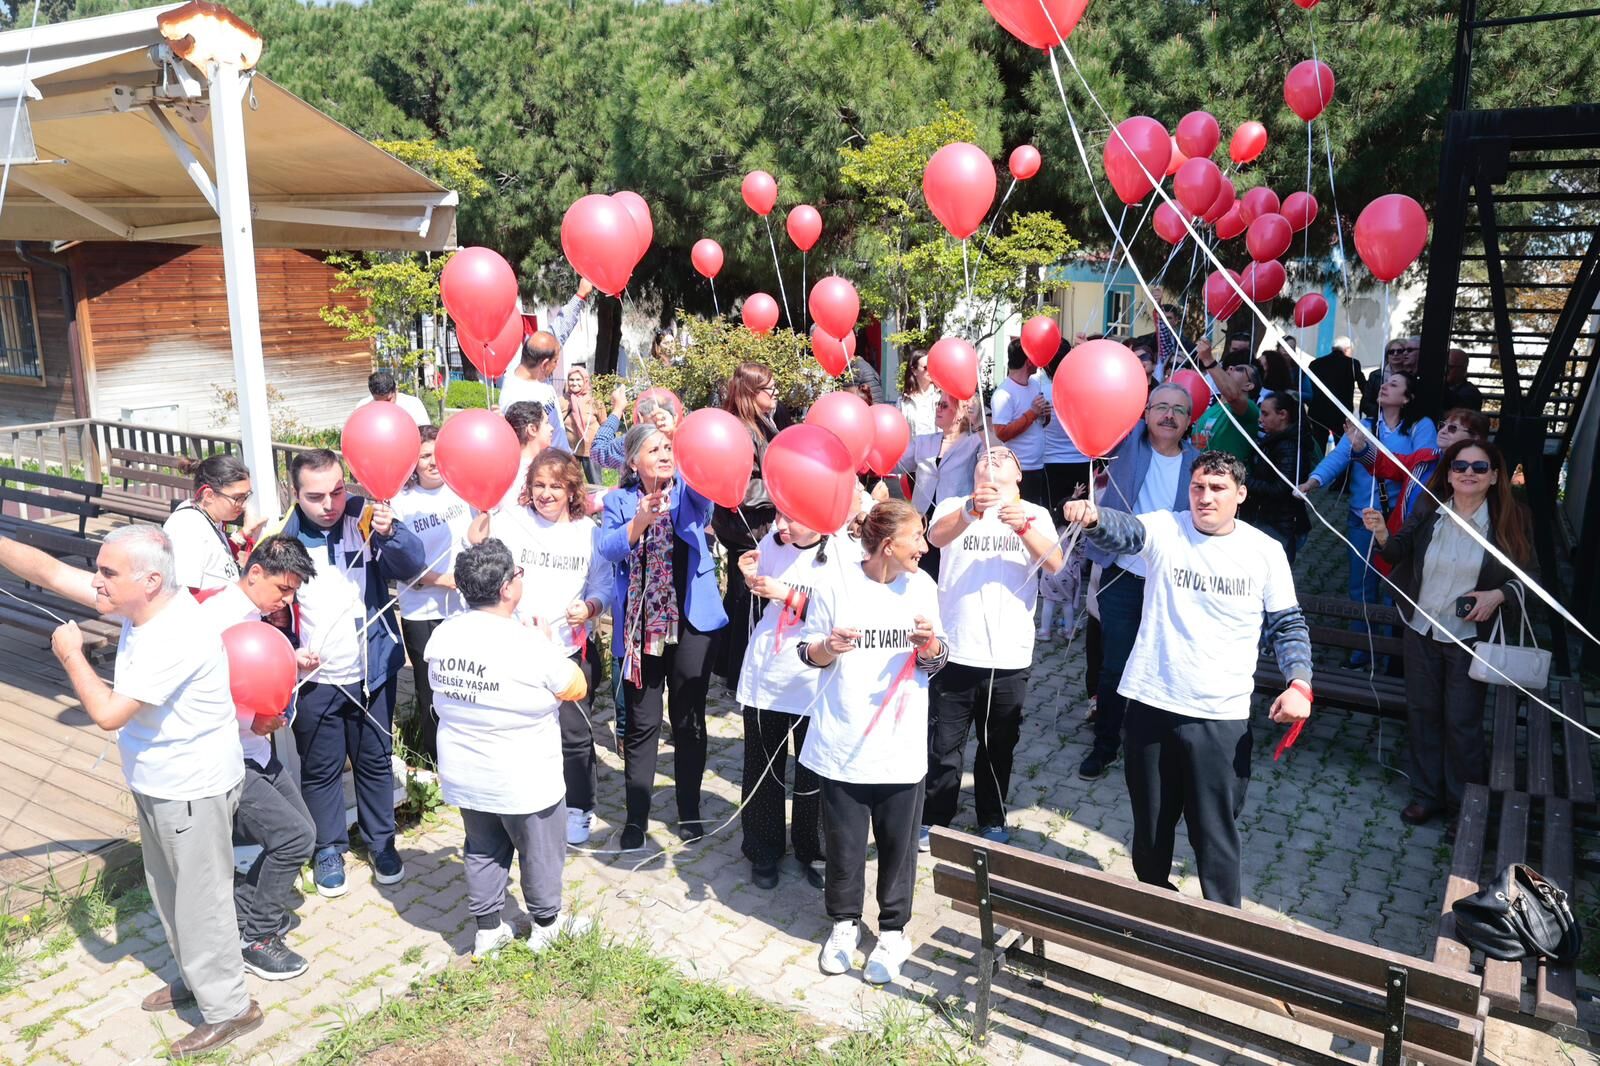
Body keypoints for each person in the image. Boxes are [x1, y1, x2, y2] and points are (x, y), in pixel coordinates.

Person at [0, 526, 262, 1055]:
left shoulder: (175, 635)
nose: (96, 581)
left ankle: (232, 1007)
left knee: (199, 901)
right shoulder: (144, 603)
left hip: (192, 786)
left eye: (107, 573)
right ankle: (199, 976)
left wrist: (71, 653)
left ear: (150, 580)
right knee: (169, 890)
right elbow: (48, 571)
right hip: (159, 781)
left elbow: (106, 712)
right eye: (98, 570)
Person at [1063, 451, 1313, 907]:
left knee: (1215, 834)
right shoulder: (1166, 527)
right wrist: (1095, 516)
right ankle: (1154, 911)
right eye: (1198, 487)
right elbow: (1127, 531)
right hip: (1151, 704)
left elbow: (1288, 624)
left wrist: (1299, 682)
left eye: (1218, 489)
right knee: (1151, 829)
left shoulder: (1265, 552)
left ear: (1240, 495)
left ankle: (1224, 931)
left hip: (1220, 716)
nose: (1205, 497)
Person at [798, 500, 947, 986]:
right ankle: (843, 924)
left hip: (899, 746)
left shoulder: (922, 586)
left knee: (898, 847)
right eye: (917, 537)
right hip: (842, 740)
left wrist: (929, 646)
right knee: (842, 845)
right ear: (888, 545)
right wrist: (828, 647)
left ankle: (893, 930)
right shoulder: (835, 585)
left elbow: (939, 660)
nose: (924, 546)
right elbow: (808, 651)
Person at [425, 538, 594, 958]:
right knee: (539, 851)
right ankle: (548, 924)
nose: (521, 578)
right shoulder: (528, 642)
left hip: (465, 769)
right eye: (518, 572)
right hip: (524, 775)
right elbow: (576, 686)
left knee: (481, 847)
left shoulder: (443, 634)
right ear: (506, 589)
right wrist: (548, 641)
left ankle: (488, 929)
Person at [268, 449, 426, 898]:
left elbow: (412, 564)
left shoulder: (366, 516)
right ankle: (328, 848)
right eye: (315, 496)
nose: (330, 504)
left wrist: (391, 533)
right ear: (294, 493)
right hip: (315, 679)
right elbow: (267, 609)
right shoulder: (283, 538)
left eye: (337, 491)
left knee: (375, 761)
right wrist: (291, 652)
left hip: (370, 669)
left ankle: (382, 843)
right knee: (320, 768)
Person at [1365, 441, 1530, 829]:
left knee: (1462, 721)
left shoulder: (1510, 520)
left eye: (1479, 466)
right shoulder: (1429, 509)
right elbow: (1396, 554)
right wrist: (1382, 534)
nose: (1468, 472)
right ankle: (1427, 795)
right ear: (1450, 472)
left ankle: (1465, 806)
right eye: (1460, 465)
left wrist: (1499, 594)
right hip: (1420, 628)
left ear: (1493, 476)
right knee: (1423, 714)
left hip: (1469, 639)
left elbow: (1530, 579)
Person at [923, 444, 1063, 847]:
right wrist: (970, 510)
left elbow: (1055, 565)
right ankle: (936, 817)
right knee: (944, 746)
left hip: (1009, 653)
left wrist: (1023, 528)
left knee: (998, 745)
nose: (993, 458)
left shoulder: (1035, 514)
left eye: (1005, 458)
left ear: (1019, 475)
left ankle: (992, 817)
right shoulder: (954, 502)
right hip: (956, 647)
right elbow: (934, 536)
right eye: (986, 456)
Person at [193, 536, 318, 982]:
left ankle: (245, 916)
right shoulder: (216, 622)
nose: (285, 601)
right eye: (282, 590)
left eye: (293, 593)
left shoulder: (252, 615)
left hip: (256, 748)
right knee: (294, 839)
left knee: (302, 831)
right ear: (255, 573)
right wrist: (253, 716)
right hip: (228, 754)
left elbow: (253, 669)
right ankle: (258, 939)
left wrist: (292, 657)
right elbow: (197, 694)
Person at [597, 424, 728, 849]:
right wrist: (641, 519)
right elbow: (610, 548)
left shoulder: (687, 492)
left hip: (691, 623)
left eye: (668, 447)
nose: (664, 454)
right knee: (643, 721)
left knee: (688, 718)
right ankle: (637, 818)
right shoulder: (618, 501)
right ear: (634, 461)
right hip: (641, 628)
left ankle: (689, 811)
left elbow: (704, 509)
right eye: (654, 449)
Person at [470, 449, 610, 845]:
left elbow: (604, 585)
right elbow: (481, 554)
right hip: (516, 651)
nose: (546, 494)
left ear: (571, 490)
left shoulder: (588, 532)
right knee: (520, 731)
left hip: (568, 651)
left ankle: (579, 807)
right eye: (538, 486)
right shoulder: (511, 522)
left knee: (575, 736)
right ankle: (523, 804)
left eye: (555, 486)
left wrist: (592, 606)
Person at [734, 510, 860, 890]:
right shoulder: (772, 543)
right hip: (769, 674)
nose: (781, 526)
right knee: (762, 766)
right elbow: (761, 591)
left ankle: (813, 849)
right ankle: (763, 849)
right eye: (778, 515)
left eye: (792, 519)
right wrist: (749, 576)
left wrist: (785, 593)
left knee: (813, 770)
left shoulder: (843, 552)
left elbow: (842, 615)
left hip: (815, 679)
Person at [1079, 383, 1198, 781]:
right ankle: (1105, 744)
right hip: (1124, 576)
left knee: (1166, 664)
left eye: (1178, 410)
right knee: (1115, 665)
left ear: (1189, 420)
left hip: (1172, 582)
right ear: (1144, 413)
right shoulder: (1126, 445)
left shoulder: (1198, 465)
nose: (1168, 415)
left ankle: (1156, 745)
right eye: (1160, 407)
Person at [1300, 371, 1437, 660]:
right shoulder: (1365, 424)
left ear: (1408, 398)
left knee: (1391, 588)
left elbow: (1420, 466)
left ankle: (1387, 655)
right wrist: (1313, 481)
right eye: (1384, 382)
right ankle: (1359, 650)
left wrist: (1368, 453)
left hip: (1398, 522)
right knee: (1360, 586)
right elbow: (1339, 457)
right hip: (1361, 516)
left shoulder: (1420, 427)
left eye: (1394, 384)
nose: (1384, 386)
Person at [389, 425, 471, 764]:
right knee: (431, 687)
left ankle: (467, 752)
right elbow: (401, 563)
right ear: (413, 462)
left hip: (464, 605)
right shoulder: (402, 502)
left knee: (464, 682)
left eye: (437, 454)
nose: (433, 461)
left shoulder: (462, 490)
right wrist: (444, 579)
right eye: (425, 456)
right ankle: (439, 760)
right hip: (422, 609)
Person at [1353, 407, 1491, 572]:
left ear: (1475, 437)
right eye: (1443, 425)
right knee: (1396, 589)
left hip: (1440, 554)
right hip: (1403, 542)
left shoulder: (1477, 476)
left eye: (1452, 428)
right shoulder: (1425, 457)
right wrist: (1362, 448)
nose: (1443, 430)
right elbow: (1390, 464)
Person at [712, 363, 781, 692]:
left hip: (757, 526)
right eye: (770, 389)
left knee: (744, 599)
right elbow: (740, 487)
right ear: (752, 394)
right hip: (746, 529)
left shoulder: (762, 422)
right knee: (746, 602)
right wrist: (780, 492)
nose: (775, 393)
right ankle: (739, 676)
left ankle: (729, 665)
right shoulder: (740, 429)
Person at [893, 392, 983, 577]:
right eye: (937, 404)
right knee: (920, 572)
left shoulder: (974, 442)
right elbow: (896, 462)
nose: (938, 409)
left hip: (954, 518)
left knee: (948, 570)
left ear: (960, 413)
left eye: (944, 406)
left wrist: (979, 422)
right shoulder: (924, 441)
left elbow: (995, 455)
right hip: (921, 519)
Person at [164, 453, 264, 593]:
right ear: (209, 495)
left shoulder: (206, 517)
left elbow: (215, 559)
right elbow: (184, 595)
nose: (243, 505)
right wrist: (242, 594)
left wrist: (244, 532)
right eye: (238, 498)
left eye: (246, 496)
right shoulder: (187, 529)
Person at [1243, 393, 1317, 564]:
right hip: (1268, 519)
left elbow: (1282, 488)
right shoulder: (1276, 440)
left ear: (1283, 415)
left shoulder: (1289, 446)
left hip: (1279, 525)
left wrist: (1244, 481)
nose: (1260, 419)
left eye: (1266, 414)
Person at [991, 339, 1050, 507]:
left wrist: (1046, 414)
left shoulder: (1034, 384)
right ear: (1029, 361)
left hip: (1038, 465)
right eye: (1035, 357)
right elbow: (1002, 433)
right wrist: (1032, 413)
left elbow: (1041, 423)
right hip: (1018, 471)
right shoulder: (1003, 394)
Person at [498, 331, 573, 452]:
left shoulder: (538, 376)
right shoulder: (516, 398)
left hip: (562, 460)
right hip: (547, 467)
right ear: (544, 364)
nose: (557, 365)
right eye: (555, 361)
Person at [1188, 341, 1260, 464]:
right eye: (1231, 367)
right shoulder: (1212, 407)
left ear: (1248, 386)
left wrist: (1208, 360)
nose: (1231, 367)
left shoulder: (1250, 410)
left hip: (1226, 479)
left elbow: (1233, 396)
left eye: (1240, 369)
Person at [591, 385, 679, 472]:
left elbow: (598, 451)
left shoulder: (632, 443)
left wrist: (617, 409)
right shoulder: (686, 443)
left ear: (640, 418)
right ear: (675, 417)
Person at [1305, 336, 1365, 447]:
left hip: (1317, 412)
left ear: (1333, 349)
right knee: (1341, 449)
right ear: (1347, 349)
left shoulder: (1315, 363)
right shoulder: (1352, 363)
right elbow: (1364, 387)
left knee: (1317, 448)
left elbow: (1307, 387)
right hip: (1341, 414)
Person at [500, 401, 556, 511]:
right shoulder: (527, 473)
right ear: (532, 429)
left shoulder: (505, 468)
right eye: (546, 423)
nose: (551, 428)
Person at [563, 366, 603, 483]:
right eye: (571, 380)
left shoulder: (594, 401)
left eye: (578, 380)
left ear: (585, 381)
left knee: (596, 484)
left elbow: (604, 423)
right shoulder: (562, 401)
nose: (574, 383)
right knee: (570, 483)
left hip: (591, 451)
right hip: (570, 451)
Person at [1362, 337, 1418, 417]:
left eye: (1399, 351)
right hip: (1377, 421)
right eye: (1391, 352)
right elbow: (1366, 403)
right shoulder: (1375, 375)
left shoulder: (1412, 376)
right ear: (1387, 355)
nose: (1395, 354)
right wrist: (1384, 415)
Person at [358, 369, 431, 427]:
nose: (385, 405)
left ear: (396, 390)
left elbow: (425, 434)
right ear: (372, 395)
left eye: (388, 400)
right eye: (379, 402)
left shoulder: (413, 405)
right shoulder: (362, 408)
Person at [898, 349, 937, 435]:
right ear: (914, 371)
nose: (930, 370)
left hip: (936, 447)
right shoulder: (903, 401)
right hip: (914, 447)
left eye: (932, 366)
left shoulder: (940, 396)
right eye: (926, 367)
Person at [1443, 348, 1485, 412]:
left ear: (1463, 369)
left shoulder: (1471, 393)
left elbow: (1457, 408)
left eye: (1450, 367)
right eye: (1444, 366)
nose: (1446, 370)